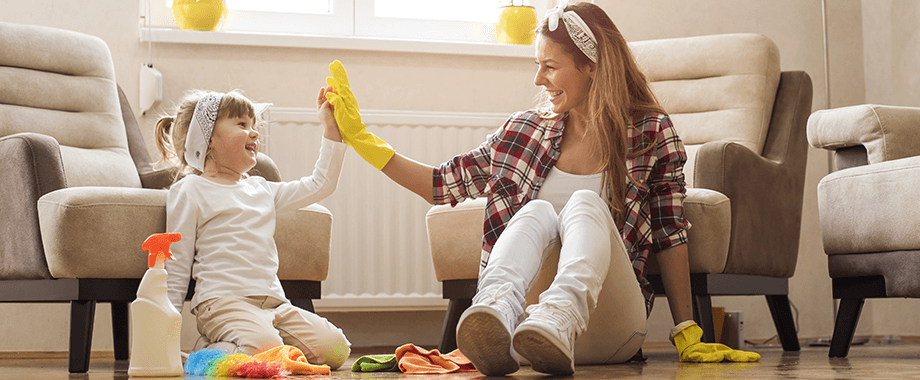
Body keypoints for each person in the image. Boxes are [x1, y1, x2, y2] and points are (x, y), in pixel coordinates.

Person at [325, 1, 761, 375]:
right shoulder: (523, 132)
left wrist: (687, 331)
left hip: (607, 328)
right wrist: (361, 137)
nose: (538, 79)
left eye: (550, 66)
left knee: (585, 204)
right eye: (537, 65)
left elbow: (670, 233)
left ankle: (562, 313)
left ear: (592, 67)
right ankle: (493, 309)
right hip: (524, 337)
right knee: (534, 213)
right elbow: (440, 185)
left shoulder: (650, 133)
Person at [155, 88, 351, 369]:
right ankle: (205, 353)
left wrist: (330, 128)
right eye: (241, 125)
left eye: (253, 125)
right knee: (264, 349)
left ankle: (263, 347)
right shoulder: (191, 189)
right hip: (222, 302)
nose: (254, 133)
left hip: (274, 304)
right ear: (208, 140)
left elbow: (320, 184)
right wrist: (166, 339)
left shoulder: (260, 188)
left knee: (336, 349)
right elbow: (176, 265)